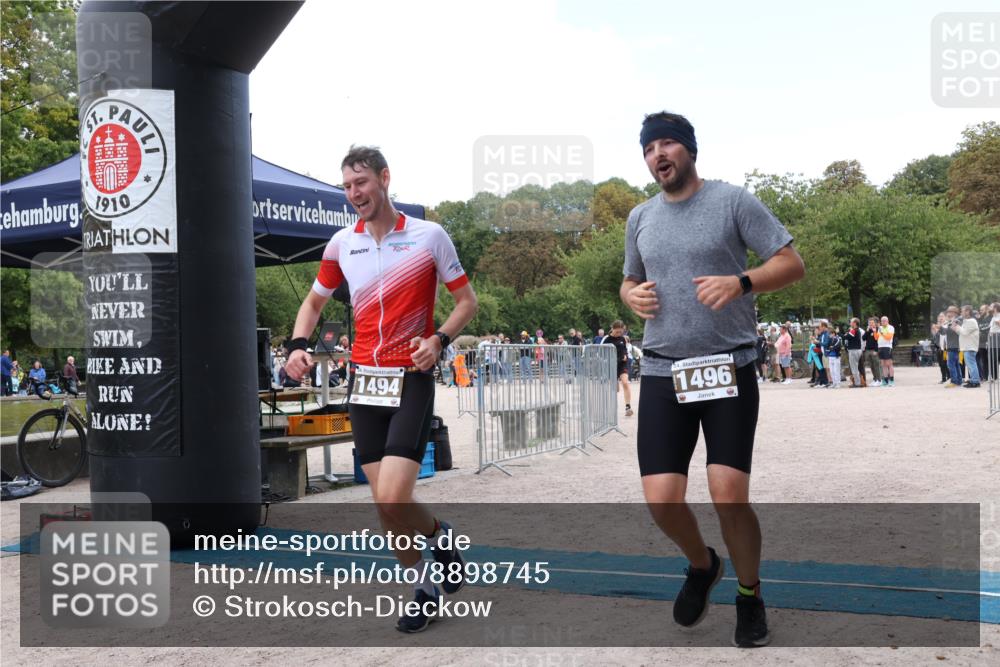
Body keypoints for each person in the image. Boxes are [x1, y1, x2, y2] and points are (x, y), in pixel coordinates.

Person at [620, 111, 804, 648]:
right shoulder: (640, 217)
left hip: (727, 366)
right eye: (649, 148)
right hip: (661, 369)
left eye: (668, 144)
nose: (659, 155)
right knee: (661, 500)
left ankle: (750, 595)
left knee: (727, 494)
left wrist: (742, 281)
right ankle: (702, 566)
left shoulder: (732, 201)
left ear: (690, 150)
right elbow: (630, 280)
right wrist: (629, 296)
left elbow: (791, 263)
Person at [283, 146, 478, 634]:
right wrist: (297, 345)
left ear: (384, 179)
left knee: (393, 497)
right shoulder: (340, 244)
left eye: (361, 183)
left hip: (410, 378)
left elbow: (466, 302)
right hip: (365, 383)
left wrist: (438, 340)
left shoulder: (429, 236)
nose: (354, 194)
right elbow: (312, 302)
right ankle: (429, 568)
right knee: (384, 504)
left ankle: (430, 560)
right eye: (347, 187)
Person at [602, 320, 634, 417]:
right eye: (617, 332)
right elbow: (602, 354)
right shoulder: (606, 339)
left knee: (625, 382)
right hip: (611, 365)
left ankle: (628, 407)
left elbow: (624, 350)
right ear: (612, 329)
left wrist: (625, 355)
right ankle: (610, 409)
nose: (619, 334)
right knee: (615, 389)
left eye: (621, 332)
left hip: (622, 364)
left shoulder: (623, 339)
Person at [954, 305, 980, 388]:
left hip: (970, 346)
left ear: (968, 311)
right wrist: (955, 328)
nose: (961, 313)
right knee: (970, 365)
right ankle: (973, 380)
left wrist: (957, 326)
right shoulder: (966, 321)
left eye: (962, 311)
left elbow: (965, 332)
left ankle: (975, 381)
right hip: (967, 346)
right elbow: (962, 334)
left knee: (971, 364)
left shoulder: (972, 321)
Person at [875, 316, 895, 386]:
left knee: (889, 364)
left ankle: (892, 380)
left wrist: (882, 332)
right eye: (882, 321)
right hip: (880, 347)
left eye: (884, 321)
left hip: (887, 347)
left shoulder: (891, 327)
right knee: (883, 364)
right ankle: (885, 380)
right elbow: (876, 338)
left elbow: (888, 337)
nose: (882, 322)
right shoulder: (880, 328)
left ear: (887, 321)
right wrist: (875, 331)